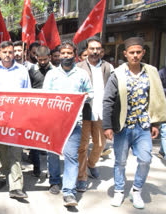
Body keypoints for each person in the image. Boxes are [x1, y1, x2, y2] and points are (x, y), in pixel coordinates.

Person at [103, 37, 166, 209]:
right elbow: (108, 100)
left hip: (143, 126)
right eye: (132, 53)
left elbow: (157, 99)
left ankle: (136, 190)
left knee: (145, 159)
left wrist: (156, 123)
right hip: (123, 126)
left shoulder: (151, 72)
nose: (135, 56)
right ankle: (119, 190)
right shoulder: (118, 74)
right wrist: (107, 126)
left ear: (143, 53)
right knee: (120, 161)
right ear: (125, 54)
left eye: (139, 52)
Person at [43, 40, 93, 207]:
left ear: (74, 54)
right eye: (63, 53)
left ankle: (69, 193)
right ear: (59, 55)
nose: (66, 56)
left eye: (69, 53)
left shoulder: (82, 74)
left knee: (71, 156)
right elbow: (45, 97)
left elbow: (90, 93)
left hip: (74, 123)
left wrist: (84, 96)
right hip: (54, 122)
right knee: (53, 153)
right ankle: (55, 181)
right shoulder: (51, 74)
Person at [0, 41, 31, 199]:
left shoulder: (22, 70)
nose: (8, 55)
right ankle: (1, 177)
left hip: (17, 118)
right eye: (5, 52)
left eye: (10, 52)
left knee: (15, 152)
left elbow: (28, 95)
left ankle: (16, 186)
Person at [76, 36, 113, 192]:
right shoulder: (78, 67)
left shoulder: (108, 67)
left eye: (98, 49)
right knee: (83, 146)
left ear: (101, 51)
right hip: (84, 112)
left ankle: (91, 164)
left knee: (100, 144)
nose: (95, 52)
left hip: (101, 111)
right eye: (92, 49)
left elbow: (113, 90)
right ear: (86, 50)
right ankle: (82, 177)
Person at [28, 45, 55, 177]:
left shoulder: (55, 71)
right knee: (34, 142)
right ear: (36, 57)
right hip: (35, 111)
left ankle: (51, 170)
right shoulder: (31, 71)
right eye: (40, 59)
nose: (43, 62)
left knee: (50, 142)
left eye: (45, 59)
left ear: (49, 57)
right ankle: (36, 168)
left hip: (51, 111)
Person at [158, 66, 166, 160]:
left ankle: (162, 151)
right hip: (164, 104)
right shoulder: (162, 73)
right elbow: (157, 89)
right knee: (164, 130)